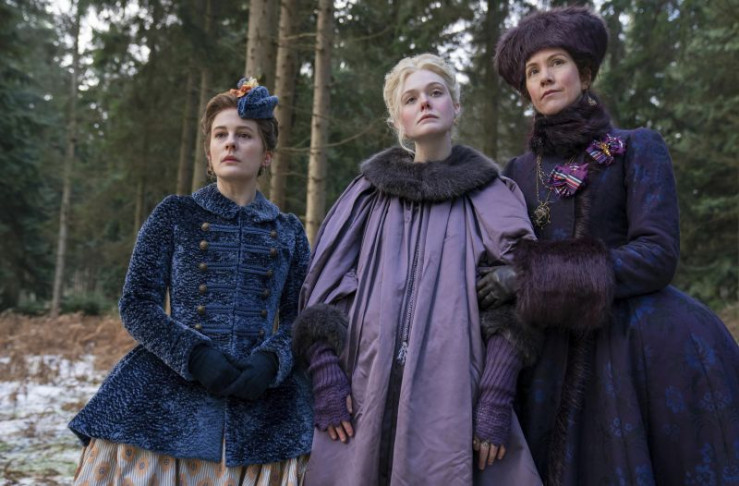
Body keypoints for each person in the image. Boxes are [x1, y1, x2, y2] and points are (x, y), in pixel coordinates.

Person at [477, 6, 739, 485]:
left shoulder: (638, 146)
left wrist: (531, 276)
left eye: (556, 62)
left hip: (634, 349)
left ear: (585, 73)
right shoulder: (515, 173)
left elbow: (657, 255)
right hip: (545, 361)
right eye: (533, 71)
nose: (545, 77)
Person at [291, 53, 542, 485]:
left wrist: (497, 393)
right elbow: (323, 291)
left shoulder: (492, 196)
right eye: (410, 99)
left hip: (452, 399)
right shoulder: (366, 196)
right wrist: (326, 373)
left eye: (435, 92)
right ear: (398, 122)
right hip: (360, 397)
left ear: (455, 108)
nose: (424, 102)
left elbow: (522, 293)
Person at [68, 79, 313, 485]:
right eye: (221, 135)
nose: (231, 143)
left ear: (267, 155)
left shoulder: (287, 230)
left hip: (261, 401)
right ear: (209, 153)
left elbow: (300, 317)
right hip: (167, 397)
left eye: (244, 135)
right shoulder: (175, 214)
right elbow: (137, 304)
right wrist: (195, 355)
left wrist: (271, 362)